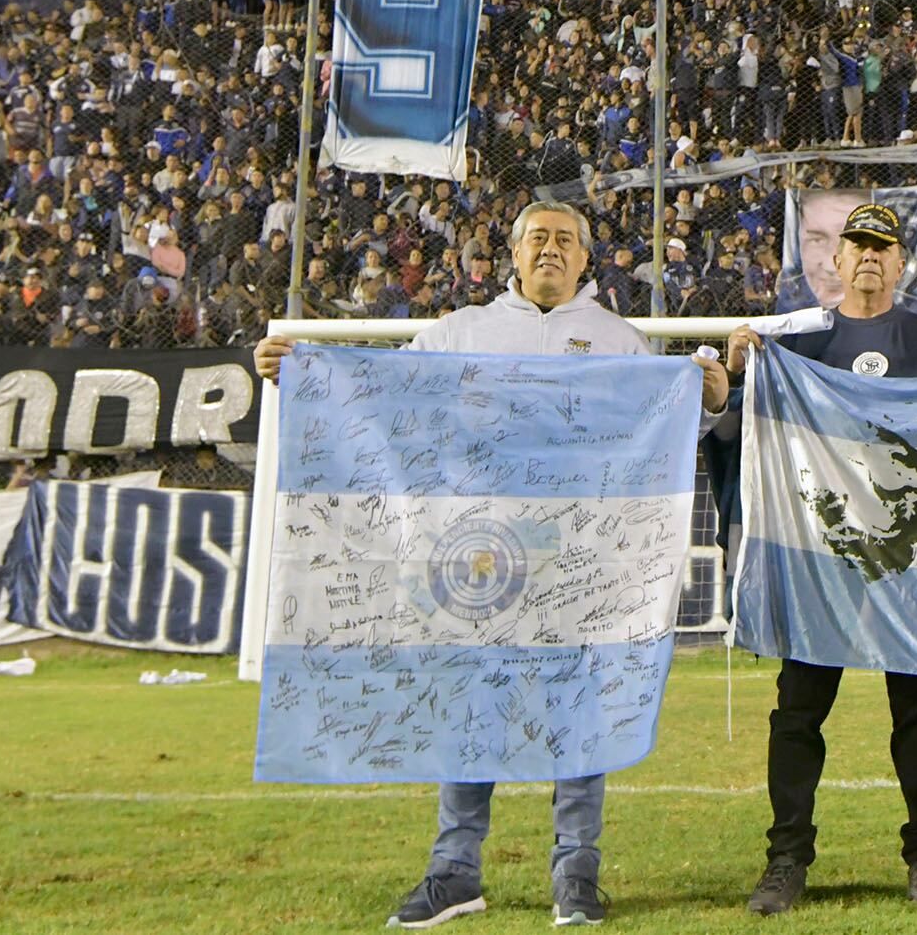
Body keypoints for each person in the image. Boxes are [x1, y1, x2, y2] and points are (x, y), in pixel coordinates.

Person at [253, 201, 728, 931]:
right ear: (511, 251)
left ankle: (576, 874)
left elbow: (666, 427)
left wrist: (711, 400)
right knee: (468, 701)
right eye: (538, 236)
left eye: (566, 240)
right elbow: (375, 398)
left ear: (585, 259)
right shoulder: (459, 333)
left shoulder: (620, 341)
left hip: (578, 569)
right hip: (474, 563)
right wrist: (301, 375)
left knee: (578, 712)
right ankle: (454, 873)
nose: (551, 249)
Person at [723, 203, 917, 918]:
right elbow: (748, 421)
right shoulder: (798, 341)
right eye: (856, 245)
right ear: (835, 263)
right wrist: (742, 365)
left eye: (882, 247)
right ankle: (786, 858)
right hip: (822, 559)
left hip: (911, 558)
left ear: (902, 264)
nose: (868, 256)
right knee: (798, 711)